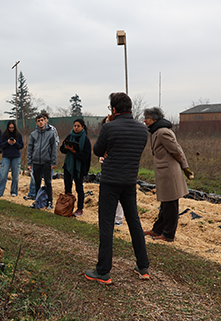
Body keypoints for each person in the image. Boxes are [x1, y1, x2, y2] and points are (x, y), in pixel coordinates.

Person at [85, 92, 150, 285]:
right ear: (130, 108)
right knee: (134, 222)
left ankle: (103, 271)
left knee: (106, 225)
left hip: (111, 181)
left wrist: (107, 129)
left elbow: (97, 150)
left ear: (113, 109)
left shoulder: (109, 127)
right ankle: (143, 266)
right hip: (130, 181)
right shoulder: (142, 129)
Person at [143, 107, 194, 242]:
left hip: (170, 173)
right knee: (165, 204)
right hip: (164, 174)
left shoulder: (163, 132)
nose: (144, 120)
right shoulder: (155, 132)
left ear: (154, 119)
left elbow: (177, 150)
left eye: (147, 118)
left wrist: (185, 167)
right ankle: (157, 230)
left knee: (171, 205)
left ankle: (168, 235)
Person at [60, 118, 92, 217]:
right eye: (75, 126)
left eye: (78, 126)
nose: (76, 128)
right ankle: (67, 207)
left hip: (79, 168)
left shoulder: (85, 140)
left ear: (82, 127)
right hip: (68, 167)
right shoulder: (70, 136)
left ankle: (80, 209)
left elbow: (85, 156)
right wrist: (66, 148)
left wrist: (74, 151)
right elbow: (62, 149)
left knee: (79, 189)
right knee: (67, 188)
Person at [24, 112, 59, 200]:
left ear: (45, 121)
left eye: (42, 120)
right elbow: (30, 149)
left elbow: (53, 149)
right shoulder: (33, 134)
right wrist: (29, 163)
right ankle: (37, 200)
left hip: (46, 162)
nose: (40, 122)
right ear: (36, 123)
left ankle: (49, 201)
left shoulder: (51, 134)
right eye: (38, 121)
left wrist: (53, 162)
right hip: (36, 162)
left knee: (48, 183)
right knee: (37, 183)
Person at [0, 120, 24, 197]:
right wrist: (7, 142)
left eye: (12, 128)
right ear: (7, 128)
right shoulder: (4, 135)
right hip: (6, 157)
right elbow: (0, 145)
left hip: (16, 156)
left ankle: (14, 192)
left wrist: (15, 143)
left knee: (15, 175)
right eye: (10, 128)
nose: (11, 129)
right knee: (3, 174)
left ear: (15, 127)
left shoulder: (18, 135)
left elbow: (21, 146)